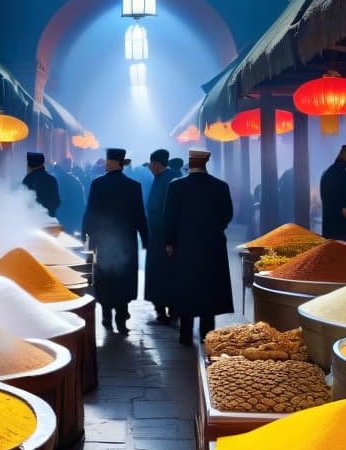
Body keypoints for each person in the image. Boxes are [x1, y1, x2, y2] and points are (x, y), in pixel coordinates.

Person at [164, 149, 234, 346]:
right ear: (206, 162)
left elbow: (169, 217)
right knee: (208, 288)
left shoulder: (176, 186)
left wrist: (169, 242)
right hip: (212, 245)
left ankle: (185, 334)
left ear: (189, 162)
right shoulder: (220, 186)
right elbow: (227, 215)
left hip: (184, 245)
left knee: (187, 286)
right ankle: (207, 333)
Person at [81, 147, 148, 334]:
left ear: (110, 162)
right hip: (126, 240)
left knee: (105, 277)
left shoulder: (98, 184)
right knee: (123, 278)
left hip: (102, 239)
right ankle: (122, 317)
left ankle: (106, 315)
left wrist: (85, 236)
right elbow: (139, 216)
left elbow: (90, 212)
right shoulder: (133, 186)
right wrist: (145, 238)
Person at [144, 149, 175, 325]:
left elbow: (169, 211)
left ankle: (166, 309)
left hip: (164, 236)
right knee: (159, 273)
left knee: (164, 274)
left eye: (151, 163)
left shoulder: (169, 179)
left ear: (156, 164)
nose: (149, 166)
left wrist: (168, 239)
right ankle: (161, 308)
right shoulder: (159, 178)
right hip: (156, 236)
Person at [320, 144, 346, 240]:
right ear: (345, 154)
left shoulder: (329, 172)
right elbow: (339, 208)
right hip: (341, 233)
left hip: (331, 231)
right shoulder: (337, 174)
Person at [53, 157, 86, 236]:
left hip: (57, 215)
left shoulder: (53, 178)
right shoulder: (73, 180)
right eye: (69, 164)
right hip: (69, 216)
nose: (71, 166)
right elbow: (79, 201)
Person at [23, 152, 60, 217]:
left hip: (32, 219)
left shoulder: (28, 180)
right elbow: (57, 202)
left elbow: (24, 202)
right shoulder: (51, 179)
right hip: (49, 218)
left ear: (30, 165)